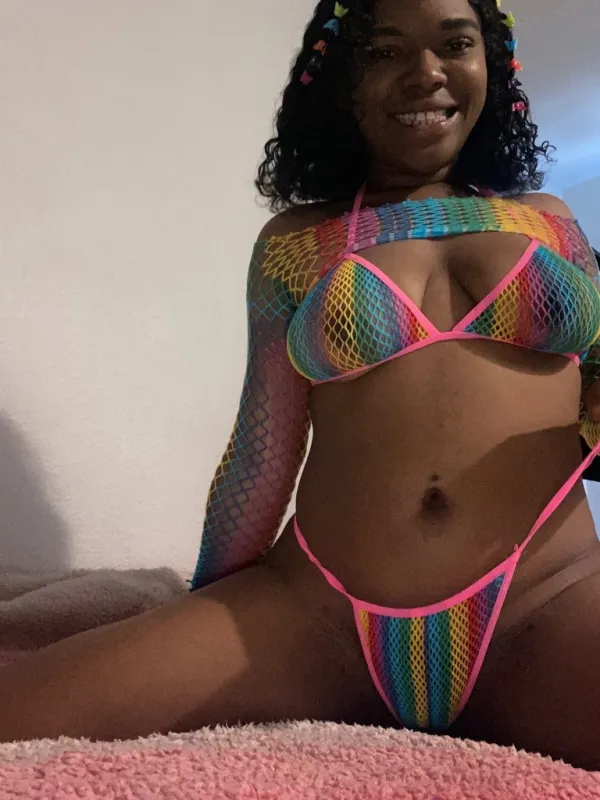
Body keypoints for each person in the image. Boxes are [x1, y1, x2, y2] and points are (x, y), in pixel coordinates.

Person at [2, 0, 600, 770]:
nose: (426, 72)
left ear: (492, 62)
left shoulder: (551, 222)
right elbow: (261, 453)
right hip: (320, 615)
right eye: (384, 51)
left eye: (455, 44)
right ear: (342, 80)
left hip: (546, 601)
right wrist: (203, 605)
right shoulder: (293, 244)